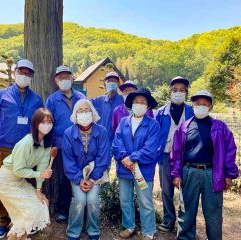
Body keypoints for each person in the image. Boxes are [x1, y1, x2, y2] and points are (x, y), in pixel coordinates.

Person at [170, 90, 239, 240]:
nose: (200, 107)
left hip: (212, 174)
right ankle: (185, 237)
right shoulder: (184, 127)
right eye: (197, 104)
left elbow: (230, 150)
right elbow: (175, 153)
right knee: (186, 211)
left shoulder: (220, 127)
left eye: (204, 104)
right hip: (189, 172)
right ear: (193, 105)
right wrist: (176, 174)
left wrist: (229, 174)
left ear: (210, 107)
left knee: (213, 212)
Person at [0, 59, 43, 238]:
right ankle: (4, 219)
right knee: (4, 183)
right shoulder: (1, 95)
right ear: (14, 72)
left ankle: (28, 219)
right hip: (6, 147)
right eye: (21, 71)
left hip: (29, 149)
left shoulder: (36, 99)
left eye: (28, 73)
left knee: (27, 182)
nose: (24, 75)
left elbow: (39, 122)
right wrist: (5, 134)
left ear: (32, 76)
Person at [0, 108, 54, 240]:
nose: (47, 125)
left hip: (19, 181)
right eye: (43, 122)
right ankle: (17, 236)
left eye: (50, 122)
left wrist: (39, 190)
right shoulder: (26, 142)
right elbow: (18, 170)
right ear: (36, 124)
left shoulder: (47, 144)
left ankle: (21, 236)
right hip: (5, 182)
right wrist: (40, 174)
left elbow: (42, 166)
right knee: (29, 212)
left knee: (41, 204)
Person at [113, 88, 160, 240]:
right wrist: (124, 158)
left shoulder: (153, 125)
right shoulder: (123, 122)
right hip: (124, 169)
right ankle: (129, 226)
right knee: (125, 200)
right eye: (136, 102)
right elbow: (116, 143)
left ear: (148, 106)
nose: (139, 104)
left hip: (143, 170)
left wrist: (132, 158)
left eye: (143, 102)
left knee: (145, 201)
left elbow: (150, 148)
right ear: (131, 104)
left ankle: (148, 231)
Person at [62, 99, 110, 240]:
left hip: (95, 173)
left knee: (93, 199)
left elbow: (103, 157)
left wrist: (93, 178)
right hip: (77, 174)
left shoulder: (101, 131)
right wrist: (79, 179)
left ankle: (93, 229)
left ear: (92, 112)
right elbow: (68, 160)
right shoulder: (68, 133)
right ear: (75, 114)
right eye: (80, 111)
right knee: (80, 200)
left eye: (86, 110)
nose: (84, 113)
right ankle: (73, 230)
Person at [45, 65, 85, 222]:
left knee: (81, 175)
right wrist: (50, 146)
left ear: (72, 78)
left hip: (81, 146)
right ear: (56, 80)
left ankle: (83, 209)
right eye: (60, 77)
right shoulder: (52, 100)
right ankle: (64, 209)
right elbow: (48, 123)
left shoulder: (81, 98)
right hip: (61, 146)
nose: (64, 80)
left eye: (67, 77)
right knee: (64, 179)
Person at [154, 76, 194, 232]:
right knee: (166, 190)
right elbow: (155, 134)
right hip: (165, 156)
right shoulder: (161, 112)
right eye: (175, 90)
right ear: (170, 92)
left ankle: (185, 222)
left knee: (186, 190)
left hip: (186, 157)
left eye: (182, 90)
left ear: (186, 93)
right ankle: (168, 219)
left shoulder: (191, 111)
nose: (178, 93)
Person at [91, 71, 124, 147]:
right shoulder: (98, 101)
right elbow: (83, 104)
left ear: (118, 84)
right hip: (100, 143)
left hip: (118, 144)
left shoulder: (123, 100)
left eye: (114, 81)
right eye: (109, 81)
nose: (111, 83)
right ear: (104, 84)